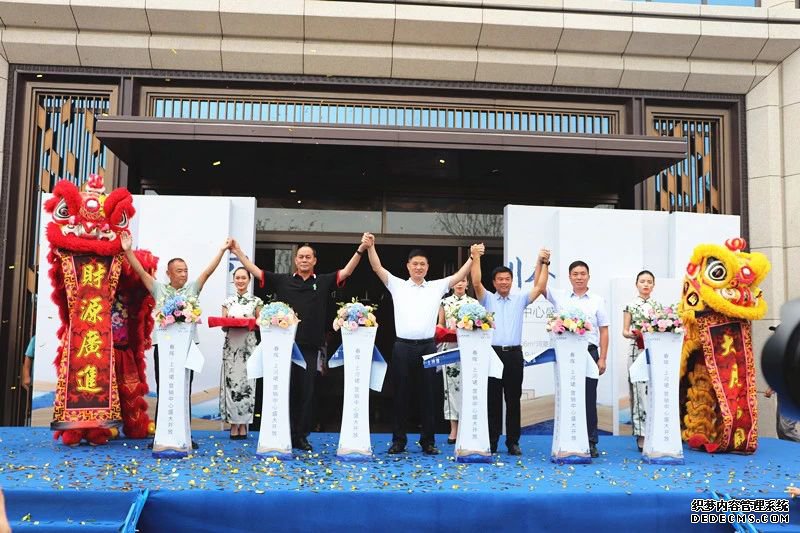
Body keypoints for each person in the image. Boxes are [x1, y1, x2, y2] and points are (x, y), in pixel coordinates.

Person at [230, 238, 368, 452]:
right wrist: (238, 251)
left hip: (309, 347)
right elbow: (256, 271)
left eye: (308, 257)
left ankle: (301, 436)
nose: (304, 260)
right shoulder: (283, 280)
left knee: (306, 392)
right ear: (295, 260)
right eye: (301, 257)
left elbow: (346, 272)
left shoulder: (322, 281)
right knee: (284, 390)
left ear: (314, 261)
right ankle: (281, 433)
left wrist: (361, 249)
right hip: (282, 348)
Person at [361, 233, 477, 455]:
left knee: (428, 396)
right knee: (400, 395)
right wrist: (371, 247)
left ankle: (428, 442)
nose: (418, 267)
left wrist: (472, 258)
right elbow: (377, 268)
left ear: (427, 267)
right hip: (402, 347)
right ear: (408, 266)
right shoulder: (397, 285)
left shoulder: (436, 287)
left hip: (427, 348)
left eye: (422, 264)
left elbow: (459, 276)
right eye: (415, 264)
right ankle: (399, 441)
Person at [122, 233, 230, 449]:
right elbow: (140, 272)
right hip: (163, 348)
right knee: (165, 388)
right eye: (179, 271)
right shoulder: (159, 289)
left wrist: (222, 251)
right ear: (169, 273)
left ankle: (185, 434)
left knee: (184, 389)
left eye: (186, 270)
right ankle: (160, 435)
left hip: (188, 347)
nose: (183, 274)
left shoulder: (192, 289)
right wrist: (127, 251)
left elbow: (207, 272)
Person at [471, 244, 550, 455]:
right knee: (493, 400)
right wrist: (475, 257)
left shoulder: (520, 299)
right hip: (493, 354)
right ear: (494, 282)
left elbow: (540, 286)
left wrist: (544, 262)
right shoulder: (487, 298)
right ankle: (491, 440)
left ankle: (513, 442)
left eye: (507, 279)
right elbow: (476, 282)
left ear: (512, 281)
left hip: (514, 355)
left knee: (513, 400)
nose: (504, 282)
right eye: (500, 279)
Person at [544, 260, 609, 458]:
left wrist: (602, 358)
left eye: (582, 274)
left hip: (589, 353)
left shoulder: (597, 300)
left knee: (588, 398)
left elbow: (604, 331)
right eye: (575, 274)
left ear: (588, 276)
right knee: (568, 396)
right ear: (569, 277)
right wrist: (543, 263)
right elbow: (540, 286)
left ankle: (591, 441)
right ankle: (567, 438)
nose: (579, 277)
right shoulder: (561, 297)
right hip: (566, 355)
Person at [219, 267, 263, 440]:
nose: (240, 281)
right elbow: (223, 327)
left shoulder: (256, 301)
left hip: (248, 347)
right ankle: (233, 424)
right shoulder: (227, 302)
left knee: (247, 385)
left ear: (249, 280)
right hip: (231, 348)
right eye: (237, 278)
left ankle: (244, 424)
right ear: (233, 280)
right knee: (231, 385)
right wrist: (231, 322)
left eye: (243, 278)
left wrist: (249, 322)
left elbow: (261, 325)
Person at [437, 278, 477, 444]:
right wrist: (444, 332)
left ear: (467, 284)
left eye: (463, 281)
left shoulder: (474, 303)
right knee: (451, 389)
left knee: (468, 387)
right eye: (457, 281)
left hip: (469, 350)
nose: (460, 284)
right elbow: (440, 325)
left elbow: (480, 326)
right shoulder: (444, 303)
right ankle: (453, 428)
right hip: (450, 349)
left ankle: (467, 426)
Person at [621, 270, 656, 451]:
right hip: (637, 351)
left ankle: (654, 432)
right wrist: (636, 334)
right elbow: (625, 331)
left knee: (653, 392)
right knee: (638, 392)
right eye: (642, 281)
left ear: (653, 285)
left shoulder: (657, 306)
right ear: (637, 284)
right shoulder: (631, 305)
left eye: (649, 281)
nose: (646, 284)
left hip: (654, 352)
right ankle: (641, 434)